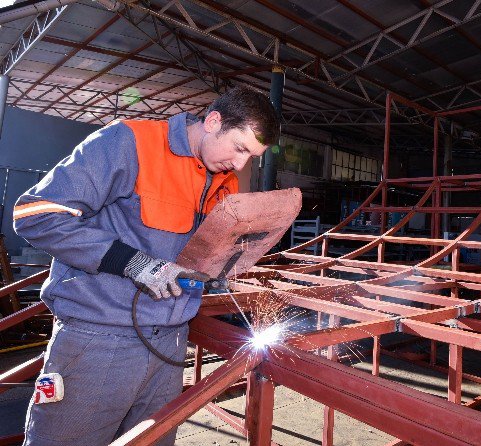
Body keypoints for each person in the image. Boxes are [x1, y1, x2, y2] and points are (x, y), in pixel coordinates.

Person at [13, 85, 280, 445]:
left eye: (253, 156)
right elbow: (36, 215)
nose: (241, 164)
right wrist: (133, 263)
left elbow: (188, 254)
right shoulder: (130, 142)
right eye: (240, 148)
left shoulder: (224, 181)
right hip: (99, 340)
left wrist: (217, 267)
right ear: (214, 121)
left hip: (170, 347)